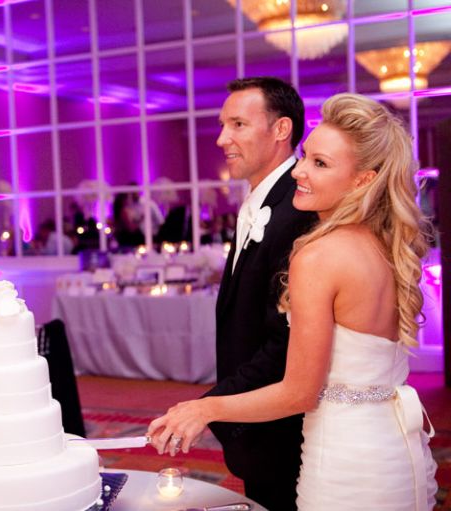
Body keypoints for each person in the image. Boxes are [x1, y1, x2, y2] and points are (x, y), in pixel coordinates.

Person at [147, 93, 438, 510]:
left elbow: (299, 392)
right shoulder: (386, 246)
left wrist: (204, 409)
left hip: (343, 458)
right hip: (395, 450)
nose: (299, 170)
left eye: (320, 164)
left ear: (362, 180)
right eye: (305, 157)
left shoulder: (319, 256)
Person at [158, 76, 318, 510]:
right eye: (222, 125)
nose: (221, 138)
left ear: (281, 129)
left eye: (238, 125)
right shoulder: (262, 202)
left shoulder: (298, 210)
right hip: (258, 428)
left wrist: (212, 406)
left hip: (284, 429)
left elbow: (286, 342)